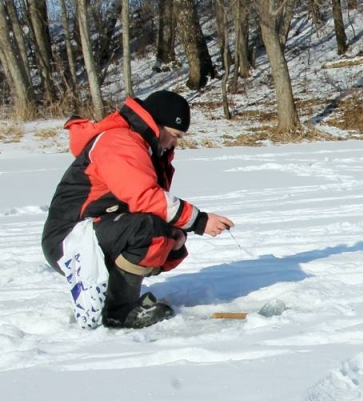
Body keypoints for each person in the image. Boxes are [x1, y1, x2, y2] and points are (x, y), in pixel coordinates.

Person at [42, 90, 235, 329]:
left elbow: (153, 207)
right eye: (174, 136)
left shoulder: (145, 147)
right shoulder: (119, 141)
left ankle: (113, 297)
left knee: (166, 236)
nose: (174, 143)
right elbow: (145, 197)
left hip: (97, 230)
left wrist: (176, 231)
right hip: (69, 240)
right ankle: (119, 311)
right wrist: (200, 221)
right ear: (157, 125)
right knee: (150, 231)